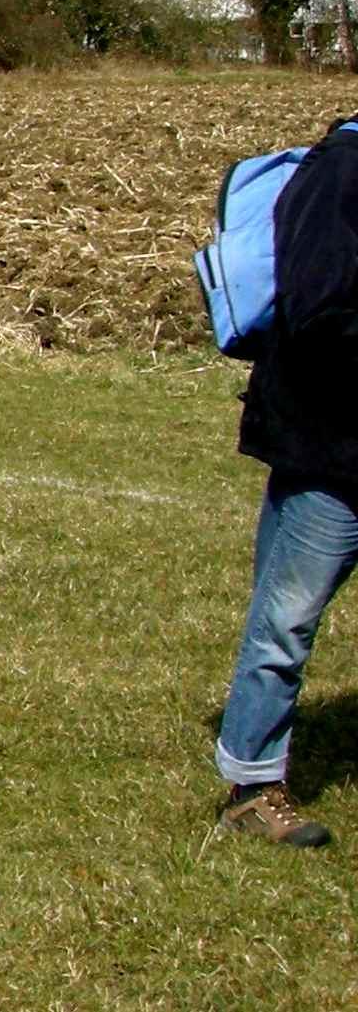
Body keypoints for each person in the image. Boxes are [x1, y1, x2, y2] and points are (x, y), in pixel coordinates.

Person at [212, 117, 358, 848]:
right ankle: (251, 787)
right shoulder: (341, 173)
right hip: (332, 446)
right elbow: (316, 308)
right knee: (285, 621)